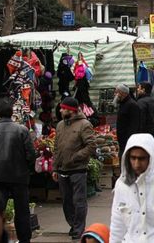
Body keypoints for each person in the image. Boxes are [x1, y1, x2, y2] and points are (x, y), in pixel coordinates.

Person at [53, 96, 97, 240]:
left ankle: (79, 228)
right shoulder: (60, 125)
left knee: (79, 201)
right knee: (66, 201)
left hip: (78, 169)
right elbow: (56, 148)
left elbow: (91, 145)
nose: (60, 110)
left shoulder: (84, 124)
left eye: (63, 108)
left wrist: (76, 157)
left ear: (70, 110)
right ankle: (73, 224)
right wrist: (55, 167)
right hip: (62, 170)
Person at [0, 97, 36, 243]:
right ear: (12, 112)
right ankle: (25, 240)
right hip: (19, 177)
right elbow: (31, 154)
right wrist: (28, 169)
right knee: (22, 212)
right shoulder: (22, 130)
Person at [114, 84, 141, 159]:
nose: (115, 94)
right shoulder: (123, 104)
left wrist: (130, 141)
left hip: (128, 142)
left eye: (116, 92)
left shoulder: (132, 105)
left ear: (123, 93)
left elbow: (134, 125)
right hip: (123, 141)